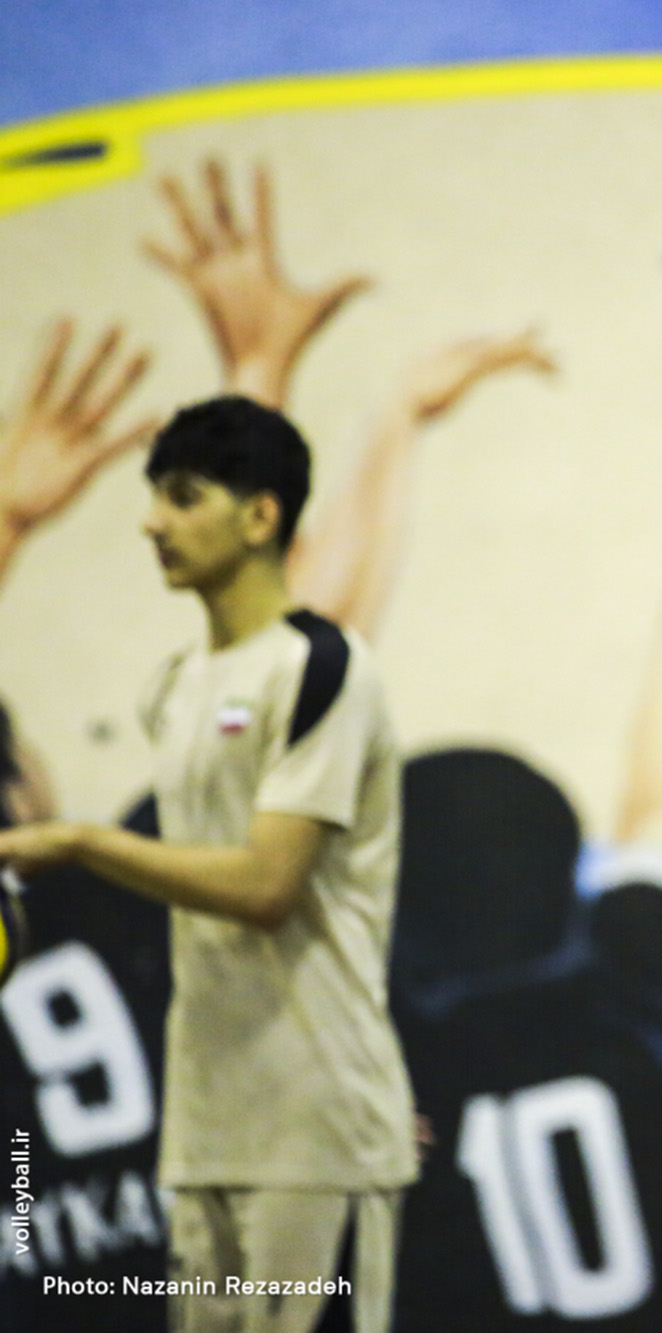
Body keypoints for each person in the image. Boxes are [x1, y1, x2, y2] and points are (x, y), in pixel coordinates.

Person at [0, 395, 417, 1333]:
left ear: (260, 515)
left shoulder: (322, 665)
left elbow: (267, 886)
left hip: (315, 1129)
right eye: (154, 497)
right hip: (206, 1129)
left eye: (182, 497)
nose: (152, 522)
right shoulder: (175, 689)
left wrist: (77, 842)